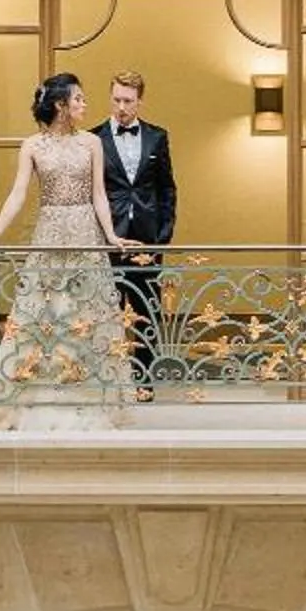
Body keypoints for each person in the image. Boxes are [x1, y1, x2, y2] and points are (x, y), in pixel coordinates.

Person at [0, 73, 135, 422]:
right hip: (49, 234)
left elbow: (99, 196)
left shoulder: (92, 142)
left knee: (88, 313)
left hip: (84, 235)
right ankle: (35, 395)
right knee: (40, 313)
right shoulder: (32, 146)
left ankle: (90, 395)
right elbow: (17, 195)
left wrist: (111, 237)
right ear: (61, 105)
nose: (84, 105)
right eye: (78, 99)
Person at [93, 71, 177, 398]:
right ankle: (109, 380)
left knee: (145, 309)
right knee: (106, 306)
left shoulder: (158, 137)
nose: (122, 107)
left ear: (140, 100)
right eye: (116, 99)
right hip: (108, 236)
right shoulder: (94, 138)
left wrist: (163, 235)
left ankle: (143, 382)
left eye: (128, 100)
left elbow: (167, 188)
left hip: (146, 237)